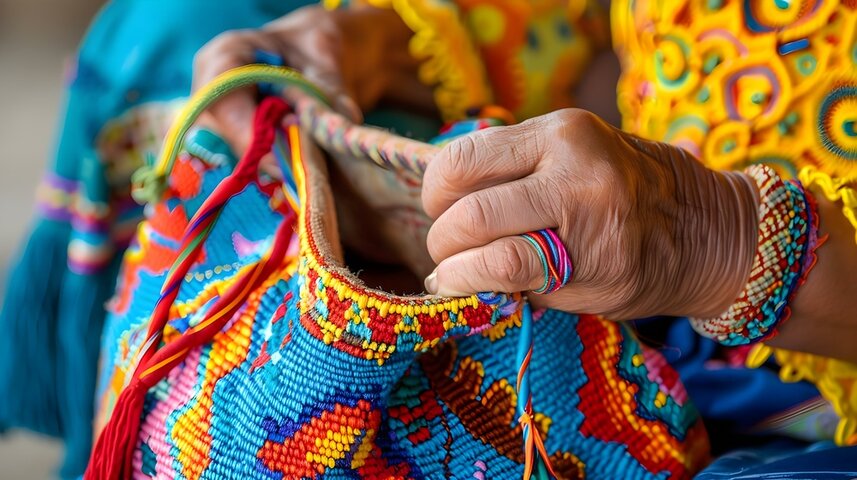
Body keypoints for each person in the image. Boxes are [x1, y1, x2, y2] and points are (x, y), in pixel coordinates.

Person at [1, 0, 855, 477]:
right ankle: (102, 443)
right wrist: (371, 44)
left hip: (822, 366)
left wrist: (716, 241)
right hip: (631, 199)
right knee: (183, 27)